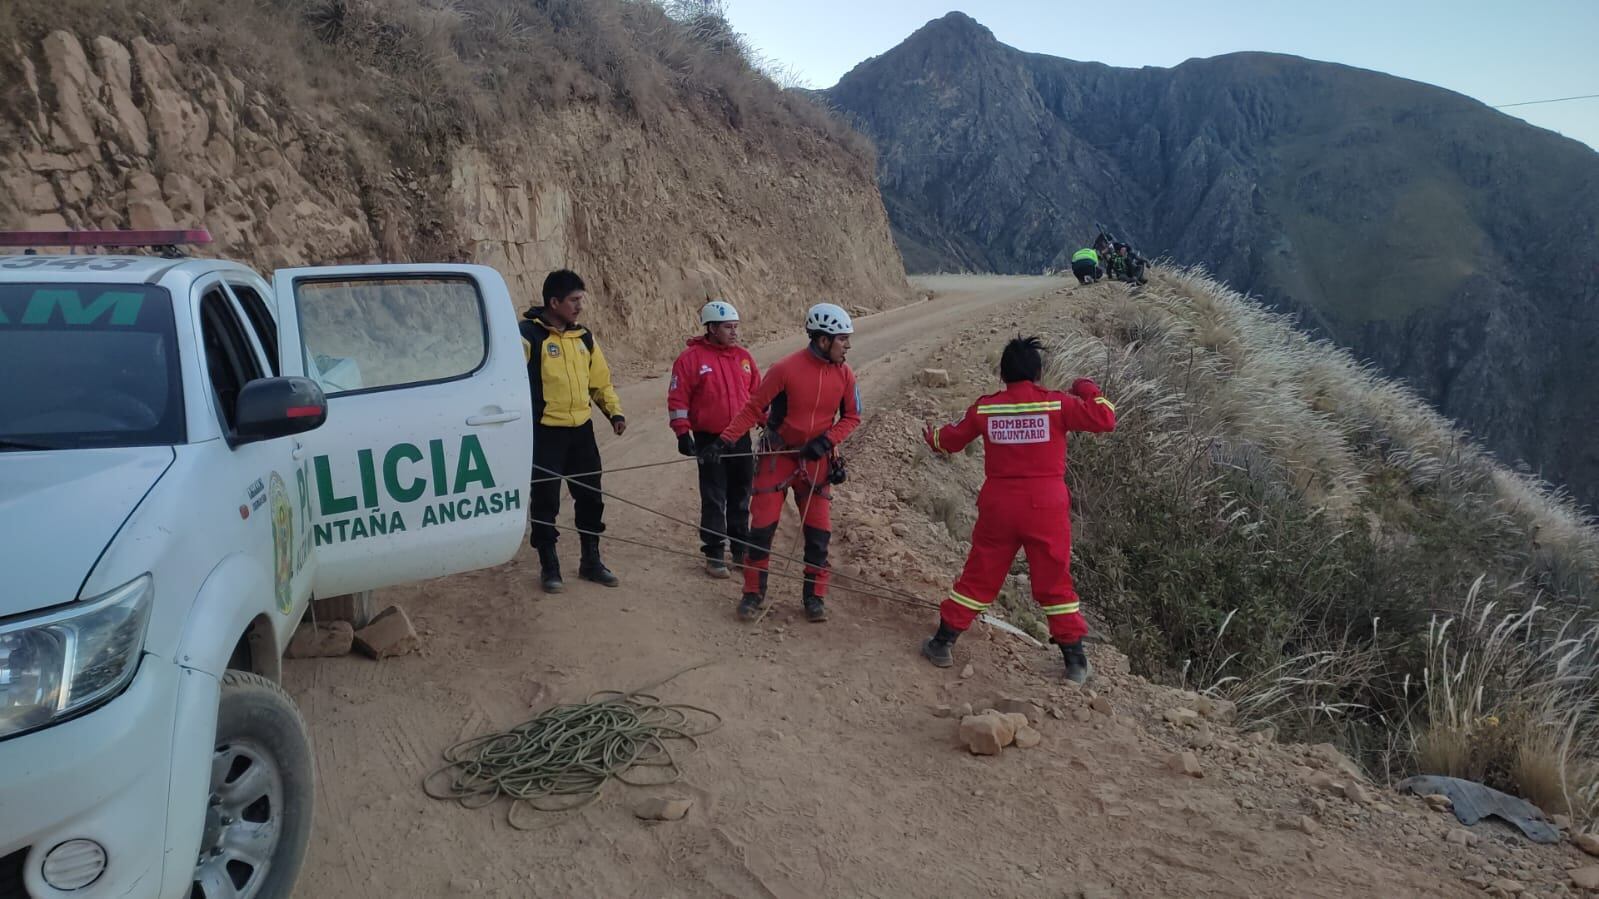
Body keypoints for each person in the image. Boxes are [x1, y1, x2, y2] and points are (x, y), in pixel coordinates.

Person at [919, 336, 1117, 684]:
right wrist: (1088, 388)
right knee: (1054, 583)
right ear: (1038, 373)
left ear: (1003, 374)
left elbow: (950, 440)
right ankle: (1075, 663)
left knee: (979, 576)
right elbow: (1105, 418)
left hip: (999, 505)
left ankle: (942, 643)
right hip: (1046, 507)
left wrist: (932, 437)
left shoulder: (987, 408)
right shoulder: (1057, 405)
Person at [699, 303, 861, 624]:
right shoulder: (785, 369)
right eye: (843, 339)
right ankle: (752, 593)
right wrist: (724, 442)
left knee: (819, 535)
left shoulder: (845, 374)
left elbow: (853, 417)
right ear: (823, 340)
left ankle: (814, 597)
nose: (848, 346)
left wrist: (827, 442)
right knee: (761, 530)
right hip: (778, 458)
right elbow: (752, 408)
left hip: (816, 461)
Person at [520, 269, 626, 594]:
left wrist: (614, 412)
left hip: (582, 432)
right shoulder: (527, 337)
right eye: (574, 300)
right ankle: (549, 566)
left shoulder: (584, 339)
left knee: (591, 497)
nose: (580, 307)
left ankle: (591, 561)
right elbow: (509, 383)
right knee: (545, 500)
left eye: (581, 300)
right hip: (545, 435)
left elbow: (600, 382)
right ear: (554, 302)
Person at [667, 299, 761, 579]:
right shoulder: (690, 359)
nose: (734, 332)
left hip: (740, 439)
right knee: (714, 496)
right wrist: (682, 432)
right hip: (709, 439)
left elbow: (757, 396)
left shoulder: (744, 358)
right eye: (728, 327)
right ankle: (715, 553)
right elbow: (678, 397)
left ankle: (740, 550)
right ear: (711, 328)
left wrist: (770, 424)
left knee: (741, 495)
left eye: (736, 327)